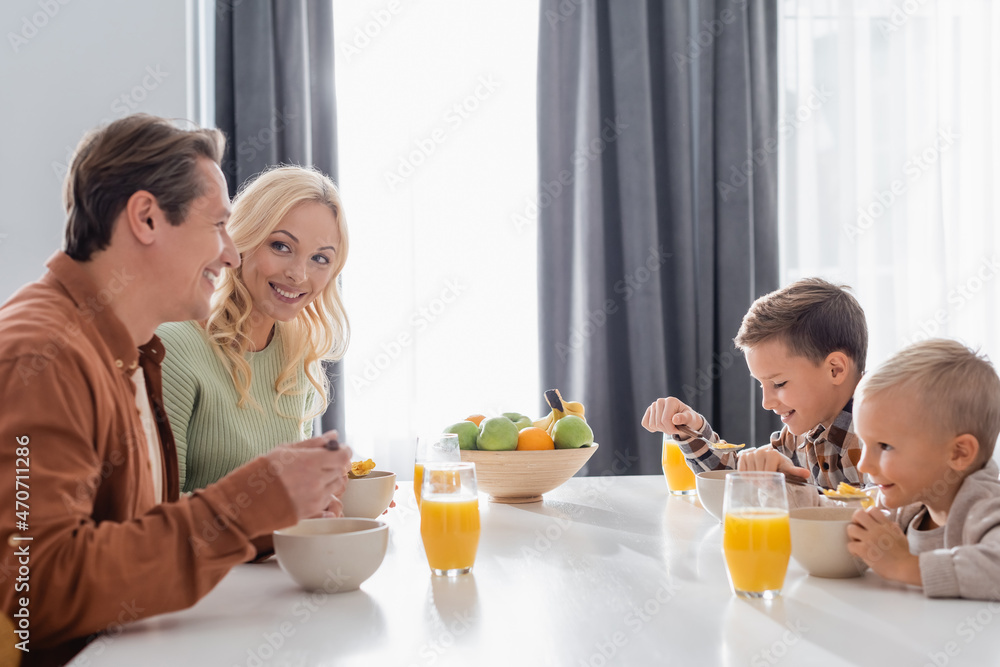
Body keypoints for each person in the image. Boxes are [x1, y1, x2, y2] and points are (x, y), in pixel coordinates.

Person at [0, 114, 353, 665]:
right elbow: (32, 592)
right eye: (217, 226)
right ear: (145, 218)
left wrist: (270, 516)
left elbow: (136, 535)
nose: (230, 254)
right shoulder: (42, 355)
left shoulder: (126, 350)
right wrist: (244, 506)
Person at [157, 166, 349, 493]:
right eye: (281, 246)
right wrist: (269, 509)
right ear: (241, 241)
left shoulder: (296, 353)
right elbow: (154, 515)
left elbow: (289, 495)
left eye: (320, 258)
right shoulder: (173, 348)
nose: (299, 275)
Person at [641, 278, 868, 489]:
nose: (766, 403)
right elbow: (734, 475)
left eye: (778, 383)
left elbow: (882, 516)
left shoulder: (878, 435)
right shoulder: (801, 435)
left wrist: (793, 489)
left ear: (835, 369)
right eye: (761, 385)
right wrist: (691, 429)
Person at [846, 339, 1000, 600]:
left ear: (958, 453)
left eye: (885, 446)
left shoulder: (987, 508)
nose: (863, 465)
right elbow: (842, 515)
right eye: (864, 443)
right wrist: (783, 486)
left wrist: (904, 565)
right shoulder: (908, 505)